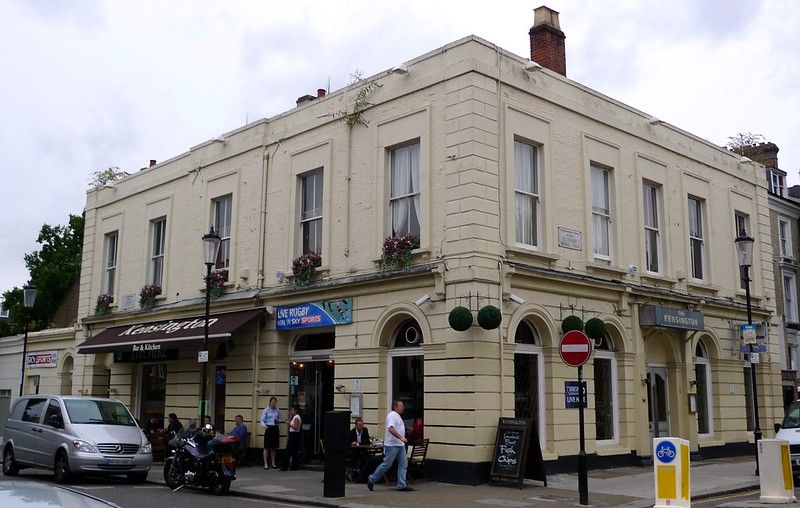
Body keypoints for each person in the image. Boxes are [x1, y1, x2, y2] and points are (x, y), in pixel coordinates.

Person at [367, 400, 414, 492]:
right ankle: (372, 479)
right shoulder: (392, 415)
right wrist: (401, 437)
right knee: (387, 464)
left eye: (403, 406)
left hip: (400, 445)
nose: (403, 408)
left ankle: (401, 484)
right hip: (392, 445)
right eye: (401, 406)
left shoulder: (398, 416)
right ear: (395, 407)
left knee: (403, 464)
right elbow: (391, 429)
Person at [260, 397, 281, 469]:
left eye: (275, 403)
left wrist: (278, 421)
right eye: (273, 402)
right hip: (268, 427)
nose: (274, 404)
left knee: (274, 447)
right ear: (270, 402)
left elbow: (279, 419)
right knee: (266, 447)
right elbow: (262, 420)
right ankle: (265, 464)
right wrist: (265, 426)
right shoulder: (265, 410)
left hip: (275, 428)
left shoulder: (277, 410)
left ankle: (273, 463)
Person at [281, 405, 302, 471]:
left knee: (288, 451)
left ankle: (285, 466)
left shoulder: (296, 417)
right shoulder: (294, 417)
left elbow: (296, 427)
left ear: (296, 410)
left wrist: (289, 423)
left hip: (294, 435)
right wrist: (290, 417)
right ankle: (294, 466)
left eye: (292, 410)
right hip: (293, 435)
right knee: (294, 451)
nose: (291, 411)